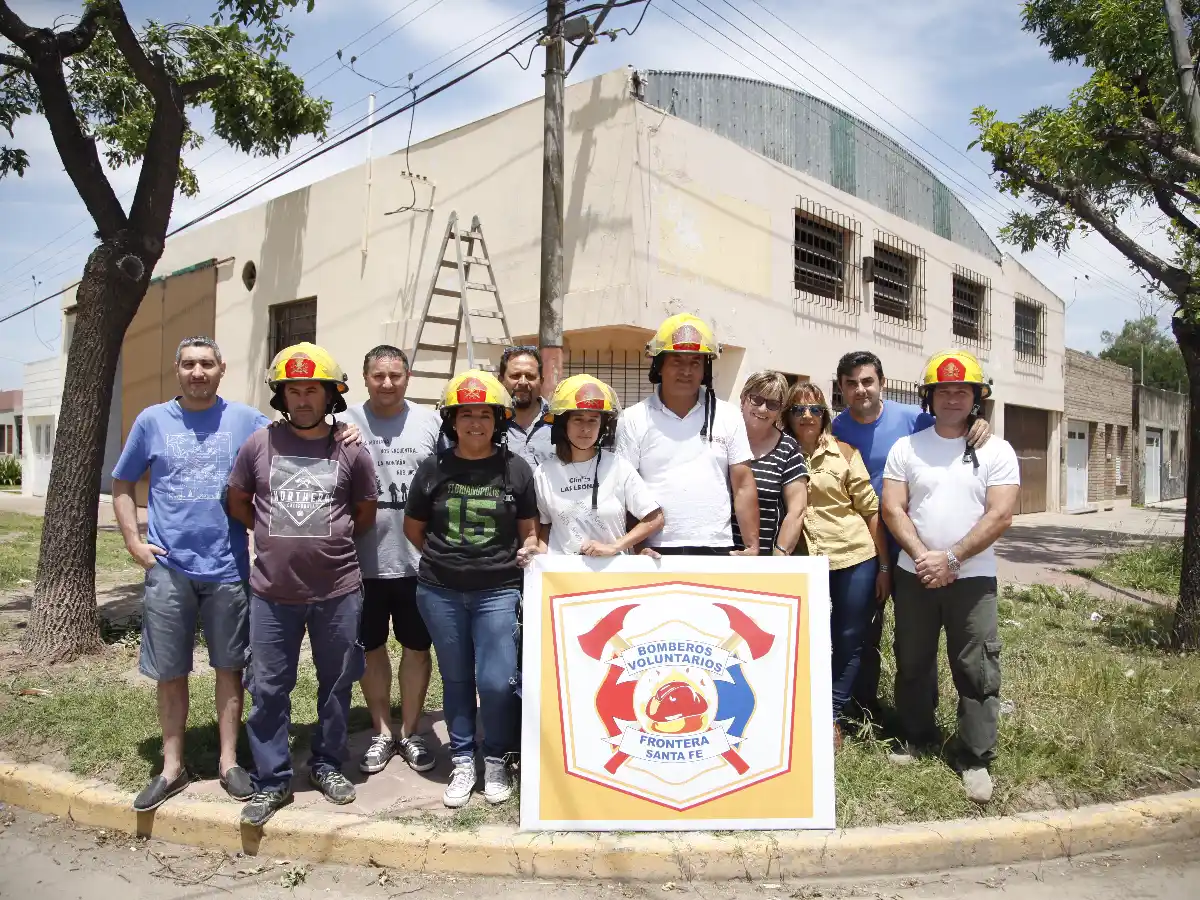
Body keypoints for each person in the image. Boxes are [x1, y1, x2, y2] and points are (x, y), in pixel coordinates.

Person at [112, 337, 267, 812]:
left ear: (223, 369)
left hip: (228, 567)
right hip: (169, 569)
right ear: (177, 370)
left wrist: (344, 433)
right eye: (188, 364)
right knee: (170, 670)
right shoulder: (152, 420)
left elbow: (296, 442)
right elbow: (122, 483)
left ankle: (227, 762)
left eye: (206, 364)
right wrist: (134, 542)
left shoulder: (246, 420)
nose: (197, 372)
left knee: (229, 667)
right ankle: (172, 767)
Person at [227, 343, 378, 827]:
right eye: (294, 388)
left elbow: (365, 512)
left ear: (331, 394)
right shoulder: (258, 445)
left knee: (336, 685)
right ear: (282, 394)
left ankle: (327, 764)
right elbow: (238, 502)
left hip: (338, 590)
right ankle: (272, 779)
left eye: (313, 388)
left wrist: (324, 544)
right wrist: (276, 540)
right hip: (272, 592)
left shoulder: (351, 448)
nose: (303, 397)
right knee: (269, 687)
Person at [881, 350, 1019, 804]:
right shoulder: (908, 448)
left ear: (978, 396)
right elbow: (892, 507)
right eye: (944, 389)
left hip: (973, 579)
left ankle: (975, 756)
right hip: (914, 574)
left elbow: (1001, 515)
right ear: (929, 396)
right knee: (913, 660)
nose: (953, 397)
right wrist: (923, 556)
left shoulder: (996, 450)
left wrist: (953, 559)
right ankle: (915, 735)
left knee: (976, 667)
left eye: (963, 390)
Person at [403, 370, 540, 809]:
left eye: (485, 414)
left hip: (499, 590)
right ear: (452, 420)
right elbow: (414, 527)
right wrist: (450, 560)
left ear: (498, 420)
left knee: (497, 680)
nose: (475, 423)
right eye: (466, 414)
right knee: (457, 676)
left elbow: (529, 531)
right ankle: (463, 758)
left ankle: (496, 757)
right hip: (440, 590)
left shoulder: (516, 468)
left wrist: (529, 549)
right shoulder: (433, 468)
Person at [831, 350, 990, 720]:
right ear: (840, 388)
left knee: (914, 635)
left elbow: (953, 427)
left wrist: (980, 425)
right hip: (862, 543)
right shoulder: (834, 428)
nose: (861, 390)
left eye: (868, 381)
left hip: (910, 543)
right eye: (851, 383)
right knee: (862, 628)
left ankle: (919, 711)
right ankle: (861, 705)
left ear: (882, 383)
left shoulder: (913, 419)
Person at [341, 345, 441, 776]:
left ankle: (413, 731)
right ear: (365, 377)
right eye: (378, 375)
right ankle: (383, 731)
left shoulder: (430, 422)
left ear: (408, 377)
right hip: (360, 562)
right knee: (371, 648)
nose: (386, 383)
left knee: (418, 648)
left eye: (395, 376)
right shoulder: (343, 422)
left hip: (419, 563)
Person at [784, 382, 888, 748]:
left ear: (824, 413)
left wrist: (885, 568)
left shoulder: (844, 453)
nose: (807, 416)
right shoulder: (779, 452)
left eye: (814, 409)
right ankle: (798, 709)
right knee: (803, 637)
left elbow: (870, 509)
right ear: (788, 416)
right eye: (798, 410)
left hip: (853, 554)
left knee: (848, 637)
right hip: (801, 561)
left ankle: (831, 714)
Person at [616, 313, 759, 555]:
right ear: (659, 366)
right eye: (677, 361)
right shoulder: (632, 419)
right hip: (655, 550)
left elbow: (743, 484)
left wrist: (752, 546)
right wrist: (638, 546)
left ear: (706, 369)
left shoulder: (729, 415)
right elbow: (625, 488)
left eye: (695, 362)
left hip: (717, 548)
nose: (686, 371)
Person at [534, 374, 664, 555]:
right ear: (564, 424)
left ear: (602, 426)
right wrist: (536, 556)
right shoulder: (544, 473)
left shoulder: (619, 467)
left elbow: (655, 518)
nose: (586, 428)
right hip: (562, 578)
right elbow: (545, 527)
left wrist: (615, 546)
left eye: (593, 420)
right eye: (578, 419)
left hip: (611, 576)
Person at [734, 371, 809, 556]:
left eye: (773, 404)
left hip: (764, 561)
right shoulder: (722, 438)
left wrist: (779, 555)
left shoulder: (788, 448)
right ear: (743, 398)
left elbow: (797, 510)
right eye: (756, 400)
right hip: (712, 557)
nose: (763, 409)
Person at [498, 345, 554, 470]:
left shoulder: (560, 422)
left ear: (541, 381)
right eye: (515, 375)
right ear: (501, 380)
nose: (523, 382)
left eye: (530, 376)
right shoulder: (490, 423)